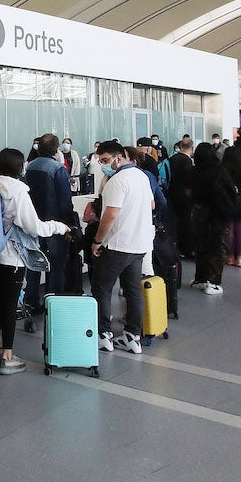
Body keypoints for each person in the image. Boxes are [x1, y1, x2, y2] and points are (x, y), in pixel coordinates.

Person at [0, 148, 70, 374]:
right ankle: (7, 356)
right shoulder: (18, 192)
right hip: (13, 256)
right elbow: (34, 227)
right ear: (19, 167)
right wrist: (59, 227)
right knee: (10, 304)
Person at [90, 140, 154, 354]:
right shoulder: (142, 176)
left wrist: (97, 240)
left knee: (102, 288)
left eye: (105, 160)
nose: (103, 165)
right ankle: (132, 336)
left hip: (118, 245)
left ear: (119, 157)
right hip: (139, 244)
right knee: (133, 290)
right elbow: (152, 204)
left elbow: (110, 215)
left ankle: (103, 334)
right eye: (100, 161)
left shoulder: (117, 181)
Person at [22, 133, 75, 300]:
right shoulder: (58, 168)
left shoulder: (29, 167)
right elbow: (65, 201)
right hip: (54, 225)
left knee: (34, 265)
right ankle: (51, 301)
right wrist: (69, 225)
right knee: (56, 266)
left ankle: (31, 301)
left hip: (32, 223)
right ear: (56, 149)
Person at [186, 142, 237, 295]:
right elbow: (232, 191)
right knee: (217, 247)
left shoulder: (194, 171)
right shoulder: (219, 170)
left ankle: (200, 279)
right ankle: (213, 282)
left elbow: (188, 192)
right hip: (219, 213)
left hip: (200, 212)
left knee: (201, 246)